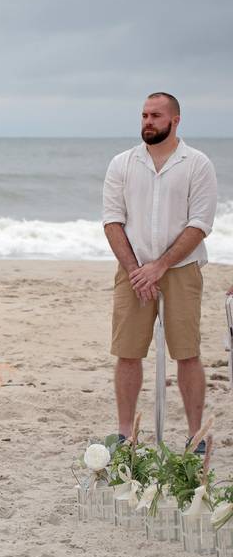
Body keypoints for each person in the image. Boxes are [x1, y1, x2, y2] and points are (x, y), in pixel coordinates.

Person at [102, 92, 217, 452]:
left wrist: (160, 266)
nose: (147, 121)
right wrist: (138, 270)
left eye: (155, 115)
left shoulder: (197, 164)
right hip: (132, 271)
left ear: (175, 120)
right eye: (144, 115)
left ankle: (195, 435)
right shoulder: (122, 163)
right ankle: (126, 434)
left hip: (180, 269)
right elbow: (112, 221)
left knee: (187, 352)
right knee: (128, 351)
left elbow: (200, 224)